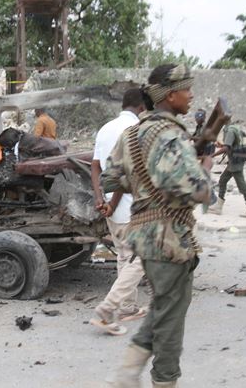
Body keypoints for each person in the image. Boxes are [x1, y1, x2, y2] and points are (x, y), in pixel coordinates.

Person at [102, 64, 212, 387]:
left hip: (144, 237)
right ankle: (162, 381)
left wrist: (143, 181)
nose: (191, 94)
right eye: (186, 88)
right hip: (170, 239)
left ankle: (125, 375)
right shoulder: (168, 133)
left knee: (164, 308)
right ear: (169, 94)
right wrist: (204, 161)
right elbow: (200, 190)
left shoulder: (133, 133)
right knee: (171, 323)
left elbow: (110, 176)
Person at [89, 88, 147, 335]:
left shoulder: (105, 129)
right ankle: (107, 309)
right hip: (128, 207)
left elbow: (95, 167)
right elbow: (126, 174)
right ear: (142, 107)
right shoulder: (135, 131)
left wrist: (101, 199)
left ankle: (128, 307)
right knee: (141, 258)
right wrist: (113, 203)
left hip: (111, 207)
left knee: (125, 256)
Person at [208, 120, 246, 217]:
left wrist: (212, 155)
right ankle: (219, 205)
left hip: (235, 162)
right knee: (222, 180)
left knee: (241, 185)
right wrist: (222, 145)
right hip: (236, 160)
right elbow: (231, 145)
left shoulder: (230, 131)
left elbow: (226, 149)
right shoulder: (236, 128)